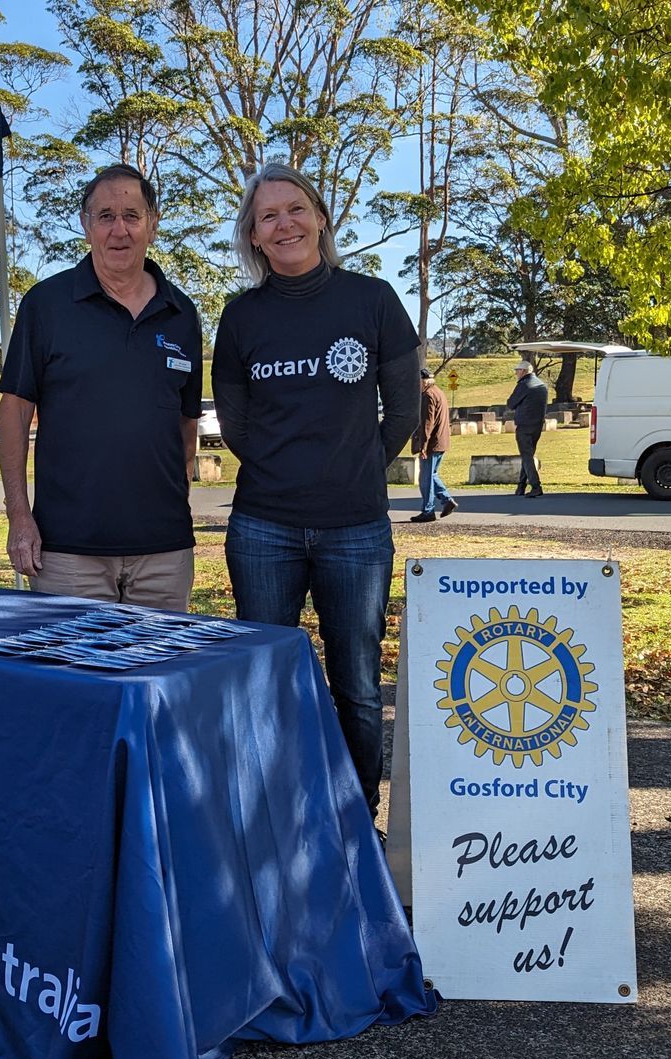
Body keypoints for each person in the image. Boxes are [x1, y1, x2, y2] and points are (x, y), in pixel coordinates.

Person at [212, 162, 420, 817]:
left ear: (321, 217)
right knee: (262, 679)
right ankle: (272, 813)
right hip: (263, 528)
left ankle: (357, 815)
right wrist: (284, 470)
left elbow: (406, 409)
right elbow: (236, 420)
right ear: (253, 236)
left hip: (355, 528)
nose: (285, 223)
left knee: (356, 683)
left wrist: (354, 468)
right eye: (268, 215)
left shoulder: (373, 300)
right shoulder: (241, 317)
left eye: (295, 209)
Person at [0, 163, 203, 611]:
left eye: (132, 215)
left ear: (153, 223)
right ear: (85, 225)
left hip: (164, 552)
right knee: (74, 679)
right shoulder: (47, 305)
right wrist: (19, 516)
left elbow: (186, 424)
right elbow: (14, 411)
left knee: (158, 676)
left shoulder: (182, 313)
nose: (119, 229)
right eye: (105, 215)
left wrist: (177, 500)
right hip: (69, 551)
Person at [408, 366, 457, 522]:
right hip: (440, 441)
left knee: (426, 479)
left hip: (432, 443)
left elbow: (427, 423)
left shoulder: (428, 395)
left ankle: (428, 510)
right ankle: (446, 500)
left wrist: (423, 445)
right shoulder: (438, 392)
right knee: (432, 475)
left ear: (423, 381)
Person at [508, 359, 548, 498]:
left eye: (517, 371)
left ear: (524, 371)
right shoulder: (541, 385)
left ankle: (536, 486)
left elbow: (511, 403)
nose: (516, 373)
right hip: (537, 424)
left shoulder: (524, 385)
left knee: (526, 456)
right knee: (528, 456)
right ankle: (521, 486)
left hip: (524, 424)